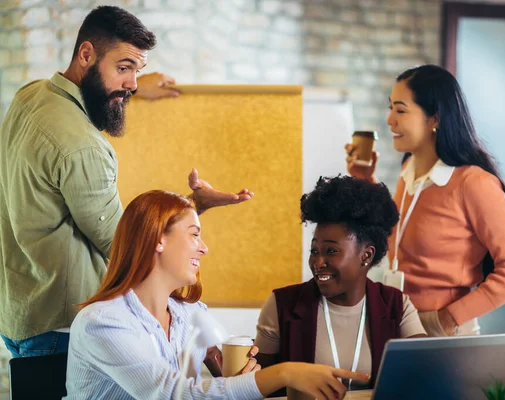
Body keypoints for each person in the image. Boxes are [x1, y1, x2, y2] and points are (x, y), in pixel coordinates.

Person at [0, 5, 250, 358]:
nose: (131, 83)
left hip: (19, 313)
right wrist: (193, 210)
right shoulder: (83, 148)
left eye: (136, 70)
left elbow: (75, 125)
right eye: (123, 68)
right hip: (63, 329)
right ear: (86, 54)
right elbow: (128, 248)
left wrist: (129, 87)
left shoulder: (30, 96)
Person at [64, 190, 368, 400]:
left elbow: (218, 373)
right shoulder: (103, 322)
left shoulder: (190, 314)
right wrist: (283, 373)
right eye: (194, 234)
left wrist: (233, 372)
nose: (204, 247)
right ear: (158, 239)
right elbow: (173, 394)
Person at [345, 64, 505, 337]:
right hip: (399, 324)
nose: (389, 119)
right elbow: (396, 240)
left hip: (442, 331)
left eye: (400, 110)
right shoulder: (408, 172)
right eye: (390, 108)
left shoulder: (474, 183)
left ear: (434, 118)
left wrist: (448, 318)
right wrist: (365, 180)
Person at [255, 176, 427, 391]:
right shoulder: (282, 305)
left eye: (331, 251)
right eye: (314, 251)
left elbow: (425, 374)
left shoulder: (396, 304)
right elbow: (254, 386)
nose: (318, 262)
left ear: (366, 255)